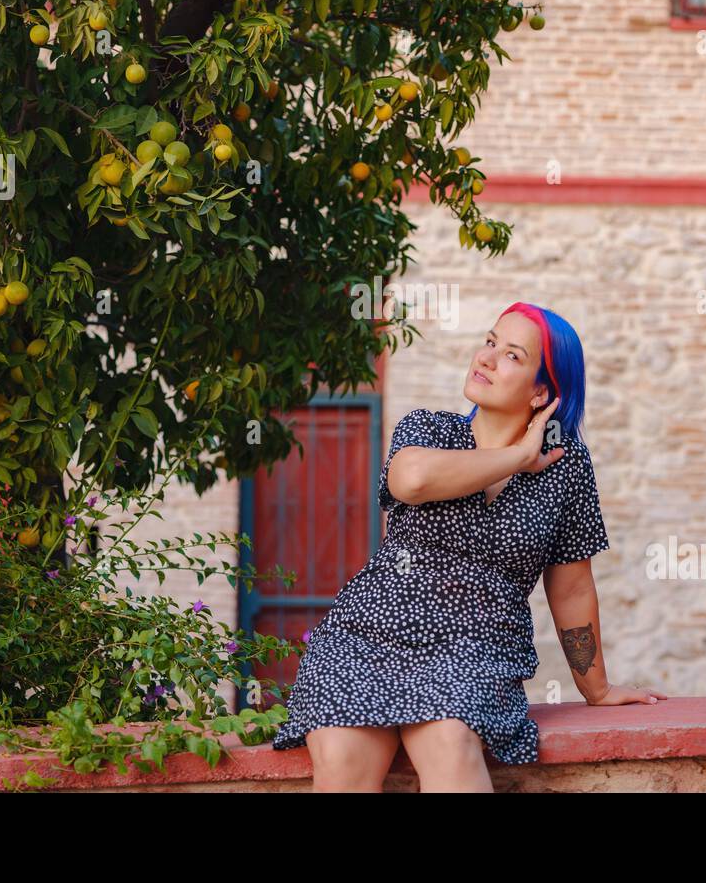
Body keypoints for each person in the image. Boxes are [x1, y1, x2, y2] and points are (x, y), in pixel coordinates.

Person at [271, 302, 666, 791]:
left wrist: (597, 687)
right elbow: (410, 481)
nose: (486, 358)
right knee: (342, 762)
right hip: (366, 633)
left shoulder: (567, 467)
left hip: (475, 644)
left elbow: (571, 587)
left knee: (448, 742)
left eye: (512, 355)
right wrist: (519, 455)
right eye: (489, 342)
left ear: (542, 390)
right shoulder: (430, 429)